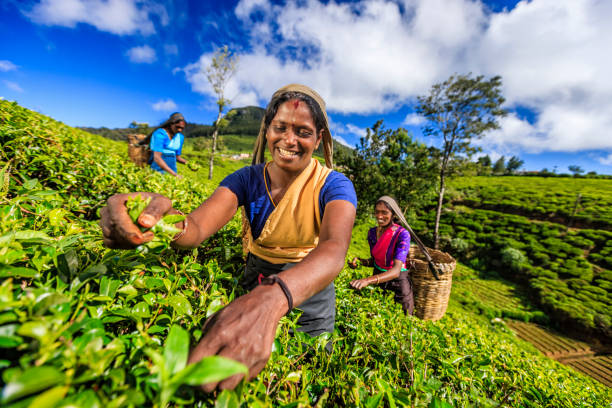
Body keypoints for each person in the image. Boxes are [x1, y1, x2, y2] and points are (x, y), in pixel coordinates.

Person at [100, 84, 357, 391]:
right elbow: (195, 226)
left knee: (305, 378)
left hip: (310, 294)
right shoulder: (246, 179)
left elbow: (333, 249)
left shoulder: (335, 186)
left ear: (319, 139)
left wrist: (273, 298)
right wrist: (156, 221)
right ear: (267, 130)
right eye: (280, 128)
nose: (289, 140)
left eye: (303, 132)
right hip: (257, 280)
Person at [348, 196, 414, 315]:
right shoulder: (372, 233)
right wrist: (360, 262)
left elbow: (395, 271)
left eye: (384, 212)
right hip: (378, 282)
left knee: (403, 320)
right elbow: (376, 261)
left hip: (398, 284)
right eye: (377, 212)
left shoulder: (402, 234)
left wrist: (367, 281)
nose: (379, 216)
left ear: (393, 214)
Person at [149, 112, 188, 178]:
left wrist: (189, 163)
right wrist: (175, 175)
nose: (179, 130)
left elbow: (177, 157)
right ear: (171, 124)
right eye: (177, 127)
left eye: (182, 128)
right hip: (158, 167)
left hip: (172, 168)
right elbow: (157, 157)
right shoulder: (160, 133)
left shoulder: (180, 137)